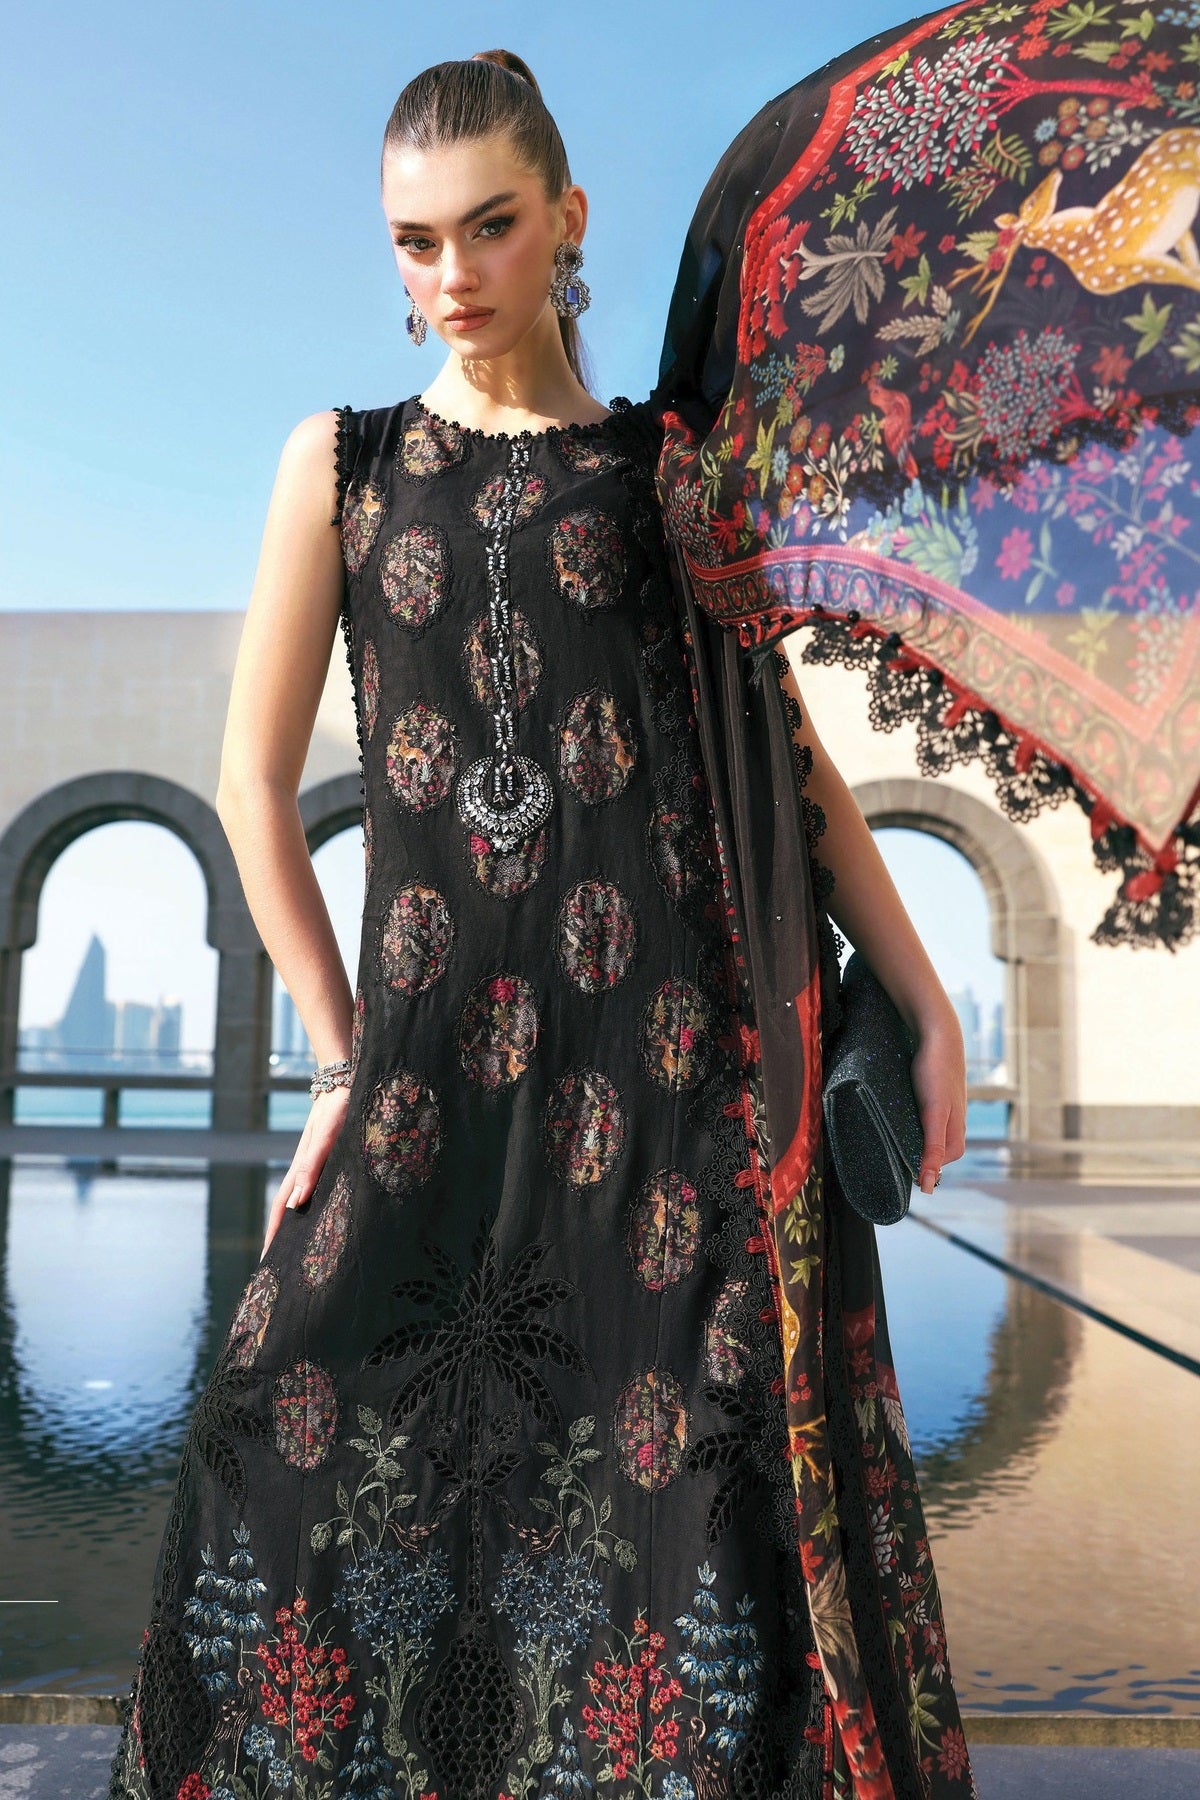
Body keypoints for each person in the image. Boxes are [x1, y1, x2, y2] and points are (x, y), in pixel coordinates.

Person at [107, 49, 976, 1800]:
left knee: (683, 1533)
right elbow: (251, 788)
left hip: (666, 1094)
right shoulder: (342, 468)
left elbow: (785, 757)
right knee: (275, 1434)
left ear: (568, 218)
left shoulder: (670, 471)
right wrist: (341, 1062)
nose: (453, 275)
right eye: (415, 241)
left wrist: (924, 996)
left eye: (490, 227)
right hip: (428, 1078)